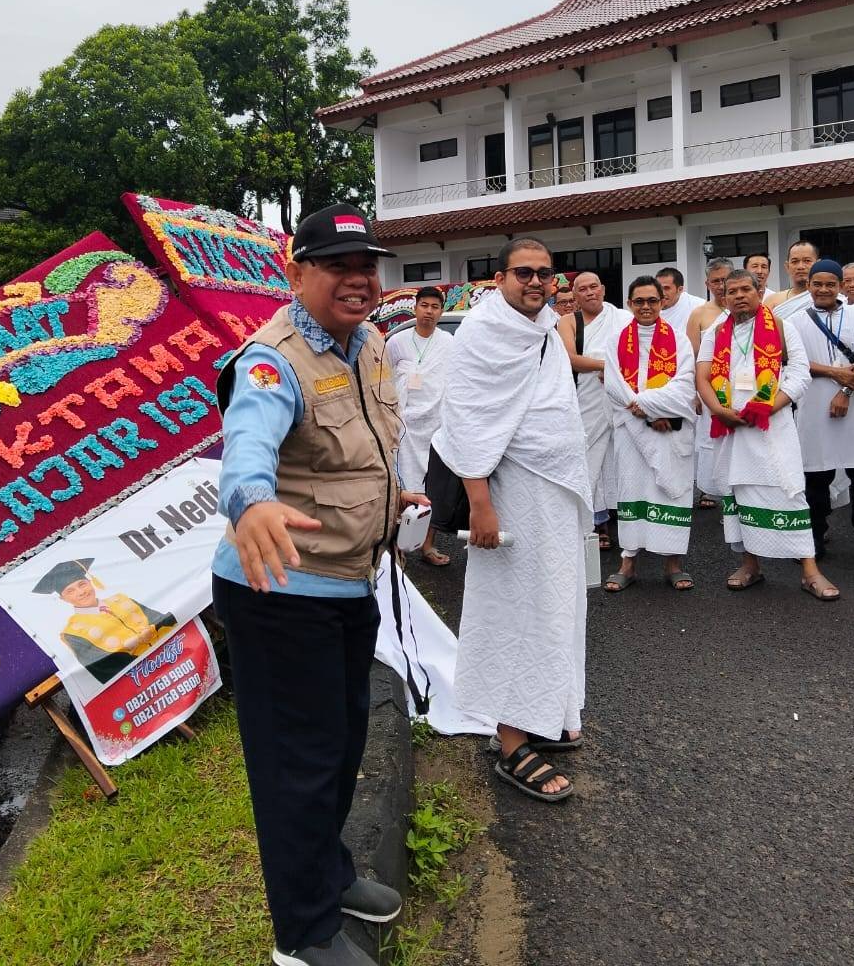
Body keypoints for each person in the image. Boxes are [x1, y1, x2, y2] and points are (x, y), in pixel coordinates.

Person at [212, 203, 428, 966]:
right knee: (296, 765)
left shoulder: (367, 343)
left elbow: (358, 450)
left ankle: (329, 877)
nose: (358, 279)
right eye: (337, 265)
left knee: (338, 750)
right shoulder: (271, 360)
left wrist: (391, 498)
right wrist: (253, 500)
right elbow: (248, 447)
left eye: (366, 264)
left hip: (345, 584)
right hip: (280, 595)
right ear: (294, 272)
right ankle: (300, 937)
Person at [434, 239, 591, 802]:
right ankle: (509, 740)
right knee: (513, 610)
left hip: (555, 492)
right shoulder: (480, 333)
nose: (535, 281)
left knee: (556, 605)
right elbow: (468, 420)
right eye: (523, 273)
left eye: (545, 273)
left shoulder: (546, 325)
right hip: (510, 492)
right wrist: (480, 502)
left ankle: (543, 712)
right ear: (500, 277)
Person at [695, 269, 839, 601]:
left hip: (773, 425)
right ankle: (751, 565)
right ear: (724, 297)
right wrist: (719, 411)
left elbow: (800, 373)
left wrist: (770, 406)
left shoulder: (783, 327)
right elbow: (702, 376)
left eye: (746, 289)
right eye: (732, 291)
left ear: (760, 292)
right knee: (741, 493)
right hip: (731, 427)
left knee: (789, 492)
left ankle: (809, 570)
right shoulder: (715, 333)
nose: (739, 295)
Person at [603, 277, 697, 592]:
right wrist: (644, 411)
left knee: (671, 490)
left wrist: (652, 409)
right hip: (631, 430)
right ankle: (628, 562)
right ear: (629, 304)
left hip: (667, 428)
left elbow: (685, 386)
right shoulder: (616, 339)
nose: (646, 307)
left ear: (662, 302)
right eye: (639, 301)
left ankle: (673, 563)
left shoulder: (679, 341)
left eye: (652, 301)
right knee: (632, 490)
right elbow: (614, 385)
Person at [793, 260, 854, 560]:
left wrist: (846, 391)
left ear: (839, 286)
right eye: (817, 283)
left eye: (830, 284)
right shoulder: (797, 321)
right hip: (813, 409)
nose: (823, 289)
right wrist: (834, 373)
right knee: (815, 475)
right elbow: (795, 362)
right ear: (809, 285)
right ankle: (815, 535)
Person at [558, 272, 631, 547]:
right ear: (575, 296)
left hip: (621, 398)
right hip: (586, 399)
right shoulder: (568, 321)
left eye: (593, 287)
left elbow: (634, 354)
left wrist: (614, 371)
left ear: (602, 289)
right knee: (589, 460)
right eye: (582, 289)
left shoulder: (622, 318)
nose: (589, 293)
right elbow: (570, 359)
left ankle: (627, 522)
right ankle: (593, 523)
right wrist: (606, 366)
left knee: (621, 458)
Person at [385, 285, 454, 566]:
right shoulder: (397, 342)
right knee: (401, 486)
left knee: (433, 488)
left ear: (441, 311)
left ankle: (427, 546)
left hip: (437, 427)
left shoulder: (449, 342)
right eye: (424, 305)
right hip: (404, 427)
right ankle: (395, 546)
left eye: (434, 307)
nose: (429, 311)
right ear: (415, 308)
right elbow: (384, 382)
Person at [31, 557, 176, 684]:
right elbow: (106, 669)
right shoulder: (73, 633)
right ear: (63, 599)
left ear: (91, 582)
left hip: (175, 651)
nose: (81, 592)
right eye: (70, 591)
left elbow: (164, 621)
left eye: (82, 584)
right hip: (147, 677)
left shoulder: (122, 600)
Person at [686, 258, 734, 509]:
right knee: (711, 440)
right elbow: (690, 357)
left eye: (725, 279)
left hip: (741, 388)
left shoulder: (746, 308)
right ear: (707, 283)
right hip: (710, 390)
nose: (721, 285)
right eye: (715, 281)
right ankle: (715, 490)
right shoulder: (700, 314)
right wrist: (695, 393)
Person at [765, 240, 818, 318]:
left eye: (807, 261)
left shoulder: (829, 298)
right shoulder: (772, 301)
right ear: (787, 266)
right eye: (795, 261)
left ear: (818, 264)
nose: (801, 267)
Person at [655, 266, 705, 334]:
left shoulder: (698, 305)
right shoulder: (646, 307)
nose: (661, 293)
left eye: (666, 288)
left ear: (680, 290)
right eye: (658, 288)